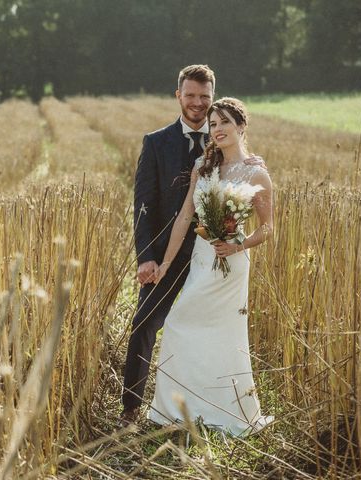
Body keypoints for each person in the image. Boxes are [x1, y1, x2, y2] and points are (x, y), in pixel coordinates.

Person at [121, 65, 262, 424]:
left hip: (214, 260)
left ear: (213, 99)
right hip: (168, 253)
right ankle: (131, 407)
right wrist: (147, 258)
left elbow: (249, 186)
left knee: (209, 330)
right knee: (144, 324)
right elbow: (144, 204)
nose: (198, 103)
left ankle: (209, 405)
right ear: (178, 96)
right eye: (191, 95)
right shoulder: (156, 142)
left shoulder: (227, 143)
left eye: (204, 97)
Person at [147, 97, 273, 436]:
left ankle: (228, 411)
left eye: (224, 123)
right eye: (213, 124)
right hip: (202, 259)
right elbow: (186, 217)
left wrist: (238, 245)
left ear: (241, 127)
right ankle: (179, 409)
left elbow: (267, 228)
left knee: (225, 334)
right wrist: (166, 263)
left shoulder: (257, 172)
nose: (216, 130)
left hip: (232, 261)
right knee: (177, 322)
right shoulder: (204, 167)